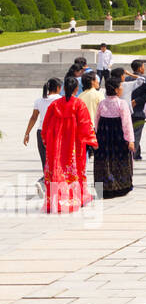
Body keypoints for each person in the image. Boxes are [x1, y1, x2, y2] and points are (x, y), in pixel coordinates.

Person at [41, 76, 96, 213]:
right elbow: (85, 125)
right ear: (77, 89)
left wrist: (46, 140)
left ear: (64, 88)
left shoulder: (55, 105)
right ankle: (75, 199)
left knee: (57, 169)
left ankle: (56, 201)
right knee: (75, 170)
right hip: (74, 145)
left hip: (57, 145)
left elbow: (46, 125)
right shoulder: (78, 104)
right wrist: (92, 140)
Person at [93, 75, 135, 199]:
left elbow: (96, 121)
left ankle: (103, 189)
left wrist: (96, 136)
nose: (122, 88)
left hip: (103, 136)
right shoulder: (122, 104)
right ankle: (121, 187)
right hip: (118, 136)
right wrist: (130, 140)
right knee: (119, 161)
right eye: (121, 86)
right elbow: (126, 124)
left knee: (104, 162)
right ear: (116, 90)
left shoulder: (102, 103)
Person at [23, 78, 62, 195]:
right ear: (58, 88)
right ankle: (48, 183)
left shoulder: (39, 100)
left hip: (41, 133)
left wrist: (27, 133)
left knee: (45, 160)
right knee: (56, 160)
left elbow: (33, 117)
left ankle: (46, 182)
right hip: (55, 133)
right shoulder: (60, 100)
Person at [123, 60, 146, 161]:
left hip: (129, 111)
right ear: (139, 68)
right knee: (136, 134)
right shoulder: (145, 79)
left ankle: (137, 153)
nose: (144, 68)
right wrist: (137, 101)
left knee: (131, 132)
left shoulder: (126, 79)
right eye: (143, 66)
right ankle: (131, 155)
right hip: (139, 111)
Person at [78, 71, 104, 157]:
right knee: (99, 154)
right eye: (96, 79)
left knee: (83, 154)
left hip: (82, 128)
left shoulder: (80, 96)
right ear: (92, 81)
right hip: (95, 128)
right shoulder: (98, 95)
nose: (98, 81)